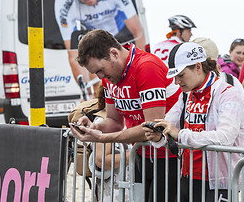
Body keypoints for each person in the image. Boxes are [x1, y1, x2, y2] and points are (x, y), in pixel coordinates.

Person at [69, 29, 182, 202]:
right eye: (95, 73)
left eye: (100, 70)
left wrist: (102, 138)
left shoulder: (146, 67)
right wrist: (94, 126)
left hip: (170, 156)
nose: (100, 77)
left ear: (114, 53)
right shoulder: (109, 77)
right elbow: (114, 121)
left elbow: (152, 127)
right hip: (142, 156)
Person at [143, 42, 244, 202]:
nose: (177, 82)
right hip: (187, 177)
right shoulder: (185, 95)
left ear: (198, 67)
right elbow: (168, 125)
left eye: (181, 75)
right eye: (175, 76)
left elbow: (225, 137)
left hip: (219, 182)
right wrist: (158, 136)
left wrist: (180, 135)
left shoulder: (228, 93)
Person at [55, 0, 146, 94]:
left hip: (119, 32)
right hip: (92, 37)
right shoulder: (63, 1)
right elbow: (73, 54)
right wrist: (88, 93)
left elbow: (138, 32)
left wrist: (140, 71)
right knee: (96, 75)